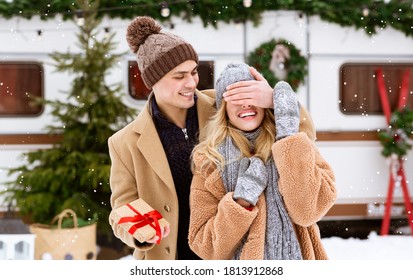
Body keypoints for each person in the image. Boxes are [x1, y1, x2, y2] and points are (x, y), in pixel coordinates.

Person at [107, 17, 276, 260]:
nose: (191, 82)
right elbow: (122, 206)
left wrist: (274, 100)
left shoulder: (223, 107)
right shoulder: (124, 142)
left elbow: (300, 132)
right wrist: (141, 227)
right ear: (153, 81)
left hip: (229, 254)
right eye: (179, 76)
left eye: (194, 72)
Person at [188, 62, 337, 260]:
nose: (245, 104)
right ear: (223, 109)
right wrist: (241, 202)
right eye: (235, 98)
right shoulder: (209, 161)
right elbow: (205, 246)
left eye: (250, 96)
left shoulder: (297, 143)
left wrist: (286, 129)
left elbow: (308, 211)